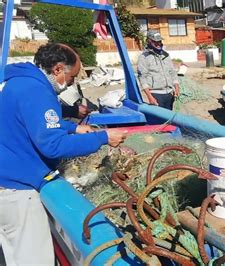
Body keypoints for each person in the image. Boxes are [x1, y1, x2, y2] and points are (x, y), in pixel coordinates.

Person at [0, 43, 127, 265]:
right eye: (71, 77)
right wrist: (103, 138)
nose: (71, 83)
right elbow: (53, 145)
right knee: (33, 258)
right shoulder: (37, 91)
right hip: (18, 190)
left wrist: (74, 128)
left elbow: (33, 123)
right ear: (58, 69)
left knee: (14, 254)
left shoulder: (19, 82)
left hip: (5, 179)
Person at [137, 30, 180, 110]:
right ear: (149, 41)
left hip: (169, 93)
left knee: (169, 119)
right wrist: (150, 97)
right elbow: (142, 78)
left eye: (159, 41)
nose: (158, 44)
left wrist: (176, 86)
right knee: (160, 121)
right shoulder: (144, 57)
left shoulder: (165, 55)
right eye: (155, 42)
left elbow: (172, 72)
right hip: (155, 94)